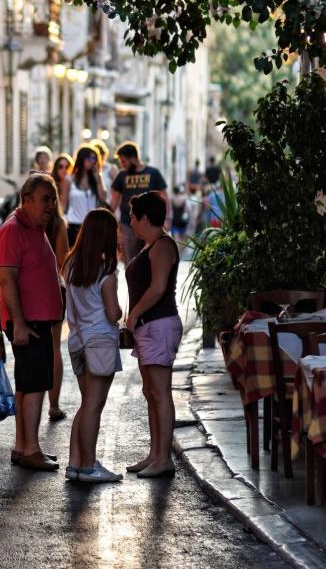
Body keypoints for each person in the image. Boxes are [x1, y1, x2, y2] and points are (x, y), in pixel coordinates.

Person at [0, 173, 63, 471]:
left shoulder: (34, 226)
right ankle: (32, 449)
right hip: (28, 321)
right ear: (27, 200)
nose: (51, 205)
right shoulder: (13, 230)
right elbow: (7, 280)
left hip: (36, 320)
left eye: (53, 199)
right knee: (34, 385)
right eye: (45, 199)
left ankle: (23, 446)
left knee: (27, 384)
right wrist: (19, 323)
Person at [123, 191, 182, 478]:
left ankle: (164, 458)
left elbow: (158, 288)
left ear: (145, 217)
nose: (130, 222)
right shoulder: (149, 246)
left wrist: (133, 315)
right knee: (151, 392)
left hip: (159, 324)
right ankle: (155, 453)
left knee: (160, 392)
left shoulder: (162, 246)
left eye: (133, 216)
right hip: (149, 326)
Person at [63, 209, 124, 484]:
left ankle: (75, 462)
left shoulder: (72, 265)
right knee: (93, 406)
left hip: (76, 340)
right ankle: (87, 466)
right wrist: (121, 311)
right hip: (100, 342)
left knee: (85, 404)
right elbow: (113, 313)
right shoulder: (106, 272)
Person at [109, 141, 168, 263]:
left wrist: (168, 219)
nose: (122, 164)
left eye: (124, 161)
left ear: (133, 158)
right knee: (130, 260)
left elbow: (164, 197)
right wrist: (109, 223)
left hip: (151, 224)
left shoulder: (153, 173)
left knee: (151, 258)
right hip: (128, 224)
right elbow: (114, 201)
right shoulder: (122, 175)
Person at [45, 190, 71, 424]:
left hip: (29, 291)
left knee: (34, 350)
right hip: (53, 287)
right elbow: (63, 259)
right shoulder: (58, 223)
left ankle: (31, 403)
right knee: (54, 349)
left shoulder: (19, 222)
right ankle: (53, 405)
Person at [62, 145, 107, 246]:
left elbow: (103, 197)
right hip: (73, 225)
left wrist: (97, 177)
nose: (93, 161)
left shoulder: (96, 179)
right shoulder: (69, 180)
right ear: (82, 158)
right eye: (90, 158)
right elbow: (63, 205)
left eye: (95, 158)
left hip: (93, 225)